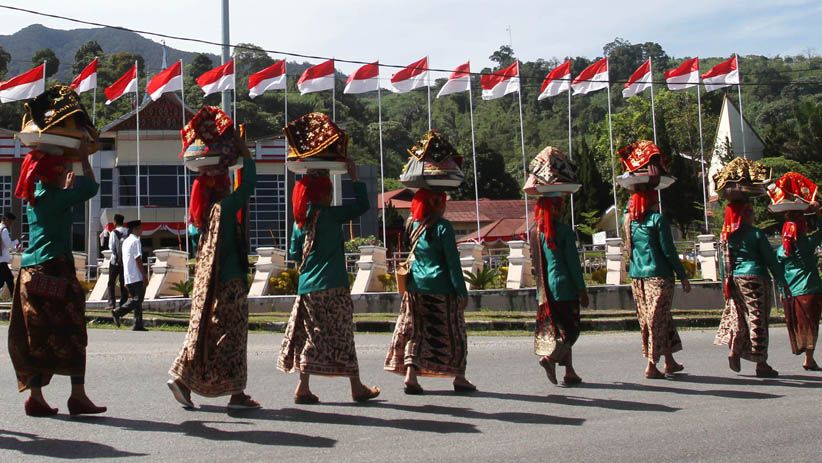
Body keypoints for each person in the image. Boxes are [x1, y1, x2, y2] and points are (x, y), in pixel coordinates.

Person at [168, 109, 259, 410]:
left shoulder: (199, 219)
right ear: (221, 185)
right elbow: (248, 185)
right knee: (232, 337)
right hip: (230, 281)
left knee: (206, 332)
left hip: (206, 285)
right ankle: (234, 393)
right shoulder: (224, 208)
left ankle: (188, 380)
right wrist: (245, 153)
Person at [278, 160, 381, 404]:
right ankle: (356, 387)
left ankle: (303, 386)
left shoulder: (300, 221)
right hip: (333, 284)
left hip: (308, 287)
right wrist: (354, 179)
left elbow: (294, 254)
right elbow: (363, 205)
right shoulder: (332, 215)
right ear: (325, 192)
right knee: (342, 334)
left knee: (311, 334)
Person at [385, 189, 476, 394]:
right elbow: (452, 262)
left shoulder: (412, 224)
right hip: (442, 287)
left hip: (416, 286)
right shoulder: (443, 227)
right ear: (437, 204)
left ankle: (411, 374)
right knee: (455, 332)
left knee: (416, 331)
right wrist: (461, 292)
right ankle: (459, 377)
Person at [715, 200, 786, 377]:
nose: (753, 216)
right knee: (758, 319)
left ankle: (735, 349)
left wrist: (725, 284)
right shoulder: (755, 233)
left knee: (739, 317)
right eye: (751, 212)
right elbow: (770, 259)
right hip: (755, 278)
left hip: (735, 280)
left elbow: (723, 264)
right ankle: (761, 363)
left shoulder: (726, 236)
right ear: (745, 214)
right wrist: (781, 280)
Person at [625, 191, 691, 379]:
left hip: (637, 276)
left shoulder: (629, 221)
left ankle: (669, 361)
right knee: (656, 320)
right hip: (658, 276)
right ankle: (651, 364)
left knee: (656, 317)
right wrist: (682, 275)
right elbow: (668, 250)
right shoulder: (657, 220)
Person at [529, 196, 589, 386]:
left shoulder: (535, 232)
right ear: (553, 209)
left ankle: (570, 372)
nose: (562, 210)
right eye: (559, 207)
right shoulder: (564, 231)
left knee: (560, 330)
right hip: (564, 287)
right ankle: (550, 358)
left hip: (546, 289)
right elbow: (573, 263)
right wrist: (582, 289)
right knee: (571, 330)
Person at [777, 205, 821, 371]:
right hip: (810, 290)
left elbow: (778, 272)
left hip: (790, 292)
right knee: (811, 324)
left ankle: (805, 353)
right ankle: (809, 358)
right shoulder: (807, 243)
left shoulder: (781, 250)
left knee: (797, 323)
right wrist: (818, 212)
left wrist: (781, 290)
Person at [113, 220, 147, 331]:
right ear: (135, 229)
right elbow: (138, 259)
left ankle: (138, 324)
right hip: (136, 275)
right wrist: (144, 275)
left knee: (136, 301)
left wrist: (125, 278)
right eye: (140, 228)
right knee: (138, 299)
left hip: (128, 275)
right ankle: (118, 312)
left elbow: (124, 260)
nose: (142, 230)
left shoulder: (126, 241)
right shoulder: (136, 241)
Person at [106, 214, 129, 312]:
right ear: (123, 222)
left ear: (115, 222)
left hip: (115, 261)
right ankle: (123, 303)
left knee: (111, 282)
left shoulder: (113, 232)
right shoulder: (128, 232)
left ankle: (112, 304)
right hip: (125, 261)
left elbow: (111, 247)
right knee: (124, 282)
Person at [0, 212, 21, 296]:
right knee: (9, 279)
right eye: (10, 221)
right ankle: (15, 299)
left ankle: (14, 298)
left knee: (2, 281)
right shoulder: (4, 230)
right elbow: (8, 244)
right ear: (5, 219)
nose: (11, 224)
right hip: (2, 260)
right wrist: (17, 241)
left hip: (1, 260)